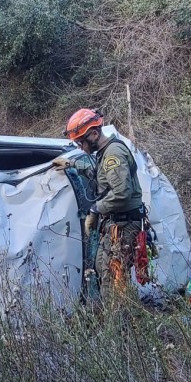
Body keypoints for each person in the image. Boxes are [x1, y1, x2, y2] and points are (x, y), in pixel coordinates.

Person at [52, 109, 144, 293]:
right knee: (104, 267)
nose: (80, 147)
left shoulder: (113, 155)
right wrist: (72, 164)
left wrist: (95, 210)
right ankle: (117, 314)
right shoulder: (104, 152)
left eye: (81, 142)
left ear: (94, 134)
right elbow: (98, 176)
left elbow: (121, 192)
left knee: (113, 277)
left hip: (124, 224)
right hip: (115, 223)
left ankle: (120, 318)